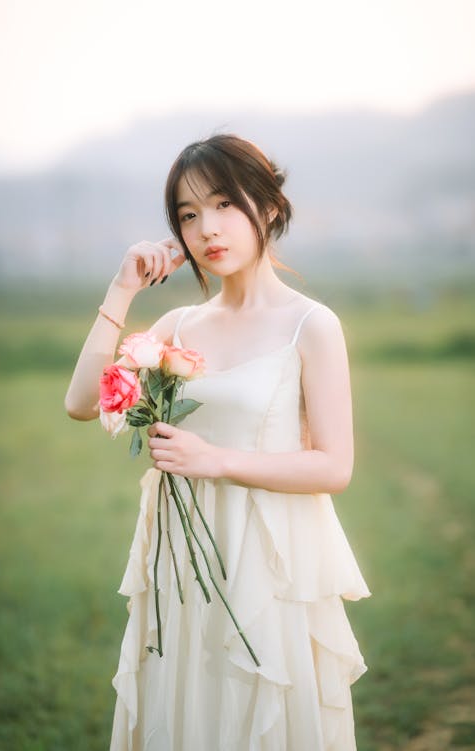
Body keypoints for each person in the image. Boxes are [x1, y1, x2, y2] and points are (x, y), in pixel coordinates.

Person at [65, 134, 371, 750]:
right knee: (189, 709)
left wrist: (215, 461)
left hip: (268, 556)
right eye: (187, 214)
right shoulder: (179, 326)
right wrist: (122, 289)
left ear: (270, 208)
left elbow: (334, 465)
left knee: (259, 711)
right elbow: (81, 403)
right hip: (181, 557)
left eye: (225, 204)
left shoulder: (311, 324)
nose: (208, 228)